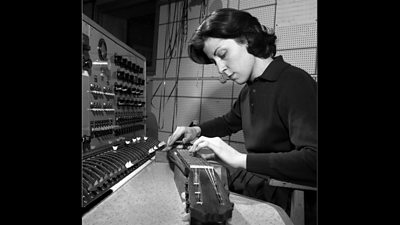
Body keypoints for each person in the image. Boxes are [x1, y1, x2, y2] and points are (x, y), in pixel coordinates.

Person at [166, 8, 317, 225]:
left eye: (222, 54)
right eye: (214, 61)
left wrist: (239, 159)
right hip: (261, 185)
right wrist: (196, 131)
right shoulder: (250, 89)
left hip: (288, 198)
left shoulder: (294, 82)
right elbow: (229, 121)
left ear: (247, 38)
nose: (221, 70)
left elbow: (314, 160)